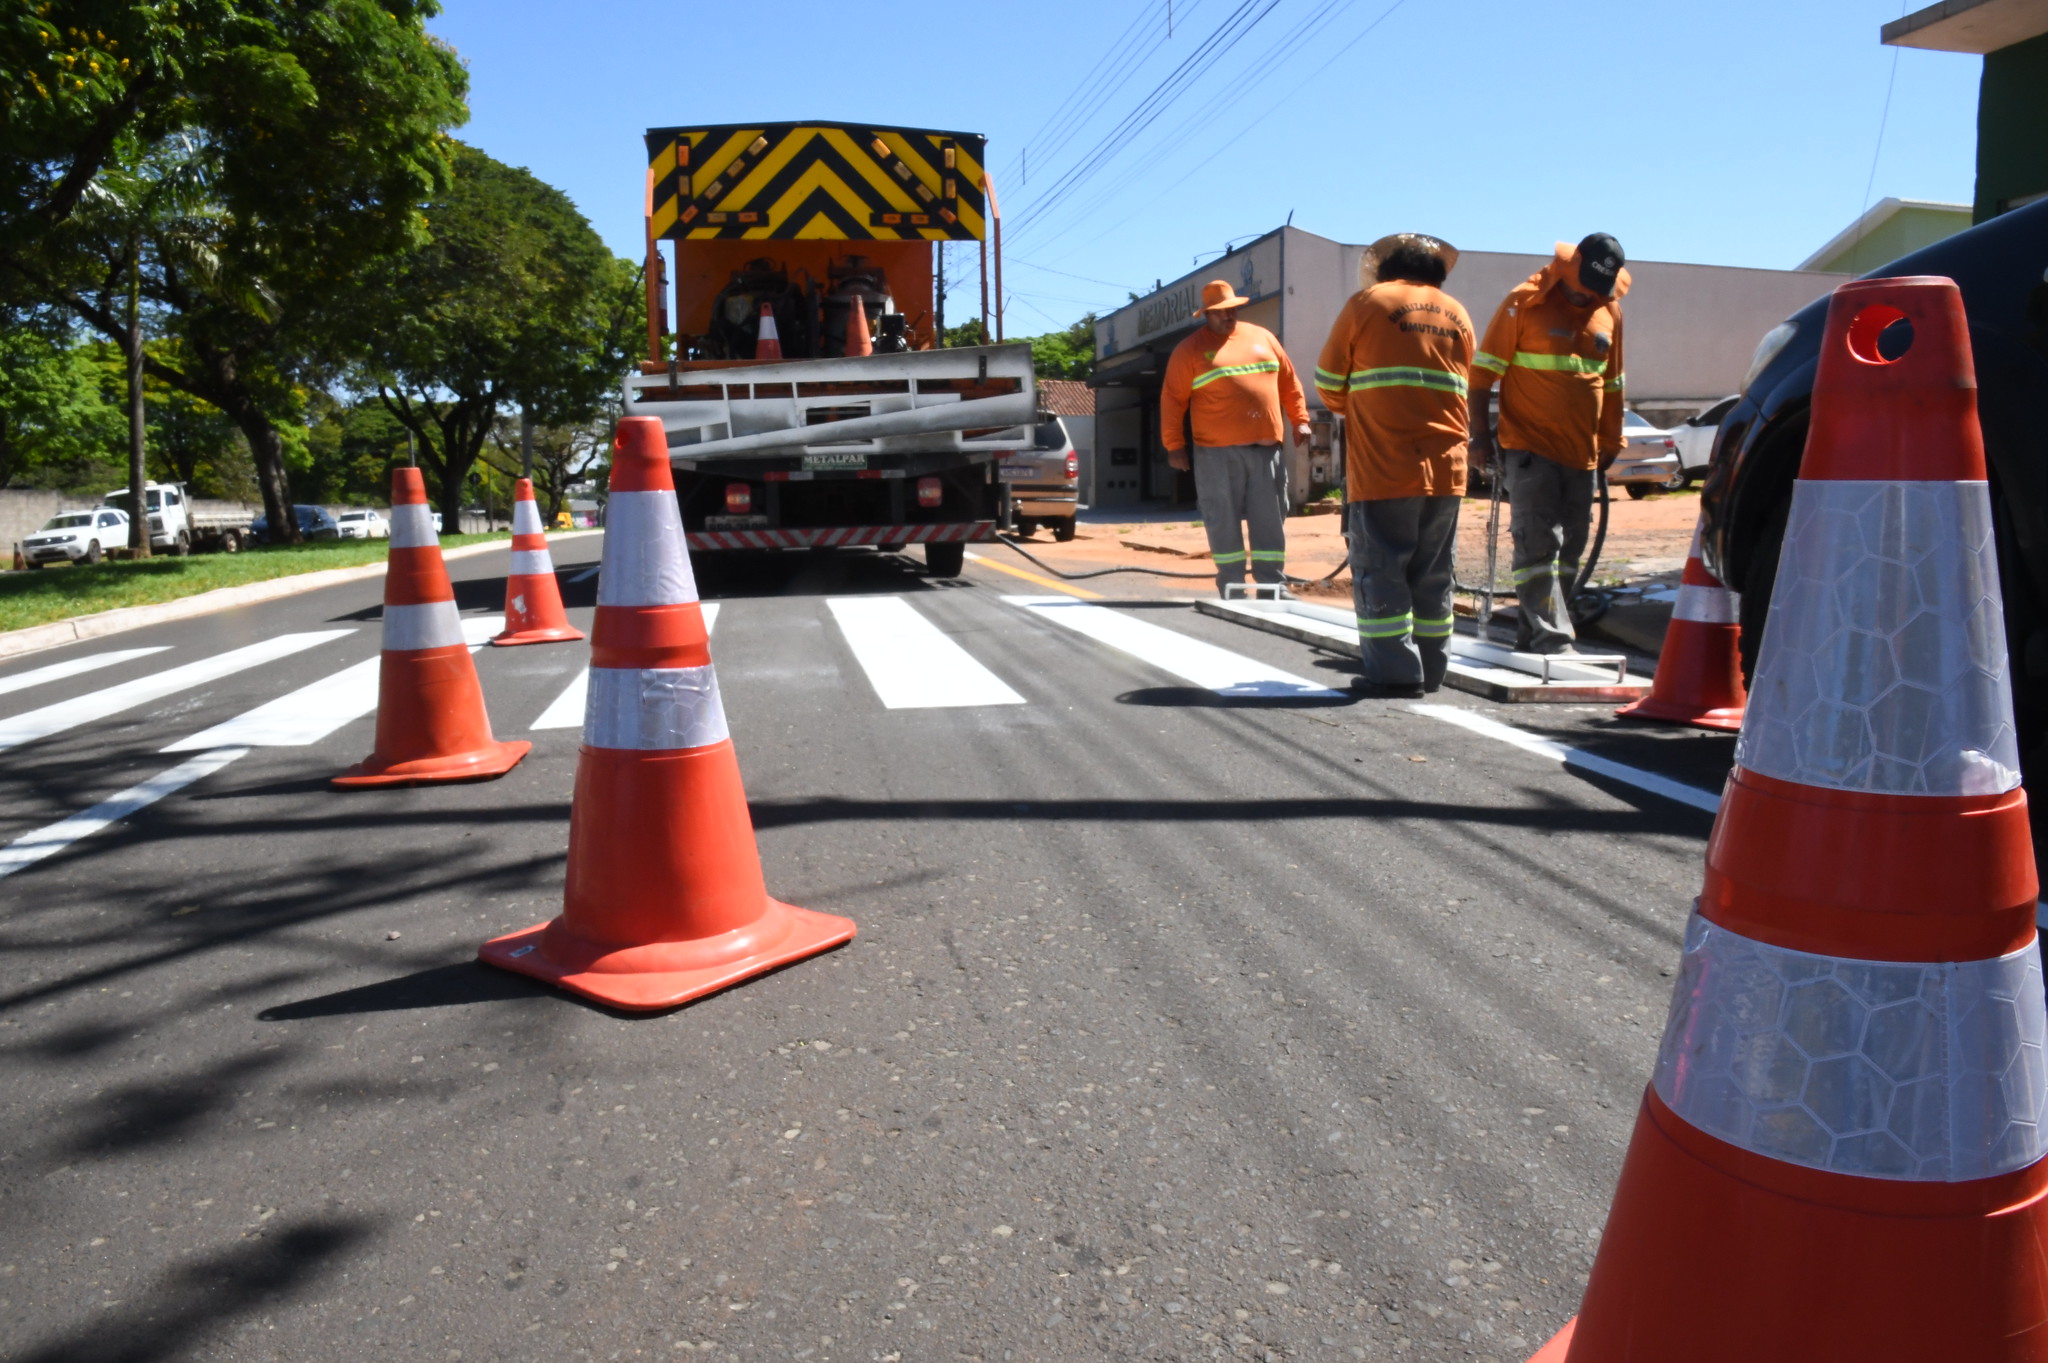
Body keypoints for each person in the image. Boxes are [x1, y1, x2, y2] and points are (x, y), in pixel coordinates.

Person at [1315, 234, 1474, 696]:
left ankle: (1394, 674)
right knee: (1433, 572)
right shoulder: (1458, 312)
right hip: (1448, 467)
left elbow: (1327, 384)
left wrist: (1364, 405)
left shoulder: (1367, 303)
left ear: (1387, 270)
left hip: (1385, 464)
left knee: (1381, 566)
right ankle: (1432, 669)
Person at [1468, 233, 1629, 655]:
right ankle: (1552, 639)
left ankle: (1533, 634)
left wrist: (1612, 437)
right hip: (1529, 448)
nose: (1589, 297)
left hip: (1582, 453)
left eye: (1599, 291)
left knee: (1570, 550)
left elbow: (1613, 383)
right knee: (1538, 544)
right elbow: (1482, 376)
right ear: (1570, 268)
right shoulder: (1524, 303)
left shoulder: (1609, 310)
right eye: (1586, 287)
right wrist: (1480, 438)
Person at [1160, 280, 1313, 596]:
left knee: (1270, 518)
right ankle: (1232, 582)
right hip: (1216, 452)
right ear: (1206, 315)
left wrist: (1301, 421)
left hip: (1266, 449)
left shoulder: (1263, 337)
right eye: (1220, 312)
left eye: (1232, 310)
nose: (1228, 316)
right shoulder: (1188, 350)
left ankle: (1271, 582)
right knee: (1222, 518)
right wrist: (1174, 445)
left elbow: (1289, 382)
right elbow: (1173, 399)